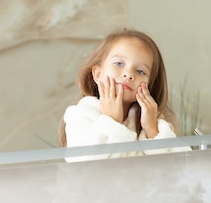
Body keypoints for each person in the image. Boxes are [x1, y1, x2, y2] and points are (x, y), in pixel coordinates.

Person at [60, 28, 188, 161]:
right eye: (118, 64)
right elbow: (85, 169)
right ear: (98, 74)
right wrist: (111, 121)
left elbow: (182, 166)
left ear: (150, 86)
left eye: (140, 71)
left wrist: (152, 131)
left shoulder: (153, 122)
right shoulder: (80, 115)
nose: (129, 74)